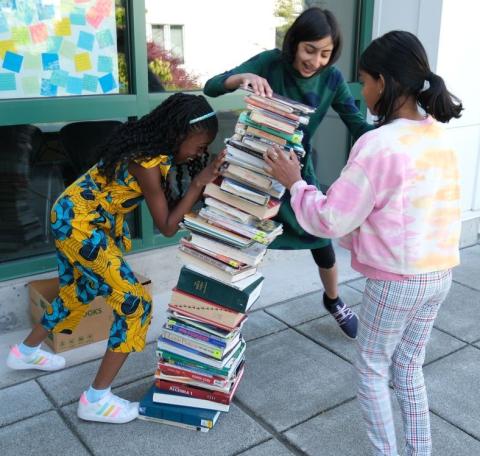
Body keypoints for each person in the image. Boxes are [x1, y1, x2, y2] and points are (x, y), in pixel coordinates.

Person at [264, 30, 463, 456]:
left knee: (372, 368)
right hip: (439, 273)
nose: (362, 90)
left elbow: (330, 218)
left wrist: (295, 183)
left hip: (397, 280)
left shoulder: (377, 144)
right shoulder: (437, 135)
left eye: (365, 81)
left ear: (385, 83)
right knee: (408, 368)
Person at [6, 93, 225, 424]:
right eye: (200, 143)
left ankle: (25, 353)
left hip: (73, 215)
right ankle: (96, 400)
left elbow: (168, 214)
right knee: (137, 305)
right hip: (78, 224)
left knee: (77, 293)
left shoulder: (157, 153)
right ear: (179, 132)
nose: (201, 151)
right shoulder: (146, 162)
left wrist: (201, 179)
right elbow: (166, 226)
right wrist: (198, 182)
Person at [204, 7, 373, 339]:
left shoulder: (332, 79)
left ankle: (333, 299)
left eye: (325, 53)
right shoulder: (269, 63)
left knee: (321, 241)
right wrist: (241, 79)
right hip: (252, 172)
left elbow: (357, 124)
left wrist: (399, 141)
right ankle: (225, 313)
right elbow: (211, 87)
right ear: (295, 42)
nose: (316, 61)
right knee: (243, 245)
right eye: (310, 50)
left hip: (296, 174)